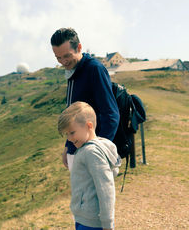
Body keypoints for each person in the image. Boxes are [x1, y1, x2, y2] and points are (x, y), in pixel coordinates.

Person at [51, 27, 119, 170]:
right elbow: (72, 115)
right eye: (58, 57)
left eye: (67, 56)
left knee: (98, 191)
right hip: (76, 148)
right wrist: (68, 147)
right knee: (80, 192)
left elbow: (111, 114)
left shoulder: (94, 69)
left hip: (92, 151)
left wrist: (100, 150)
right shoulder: (72, 70)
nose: (63, 62)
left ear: (79, 47)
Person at [58, 101, 121, 230]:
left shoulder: (92, 153)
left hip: (92, 223)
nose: (69, 138)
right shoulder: (86, 148)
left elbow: (106, 188)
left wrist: (108, 224)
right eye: (66, 134)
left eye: (72, 132)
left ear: (89, 126)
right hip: (85, 218)